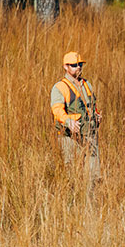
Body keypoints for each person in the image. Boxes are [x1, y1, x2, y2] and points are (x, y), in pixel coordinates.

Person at [50, 50, 102, 187]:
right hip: (70, 138)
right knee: (73, 174)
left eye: (80, 64)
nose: (78, 67)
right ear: (66, 67)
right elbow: (57, 110)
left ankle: (91, 203)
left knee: (94, 176)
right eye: (74, 65)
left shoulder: (86, 84)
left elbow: (91, 104)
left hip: (89, 135)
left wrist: (96, 116)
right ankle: (73, 203)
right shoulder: (60, 87)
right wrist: (68, 122)